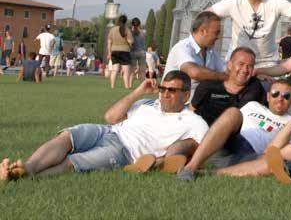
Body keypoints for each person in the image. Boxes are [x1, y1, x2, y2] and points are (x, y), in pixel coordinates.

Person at [0, 71, 208, 180]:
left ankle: (23, 178)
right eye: (163, 89)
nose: (165, 94)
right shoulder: (147, 104)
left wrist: (162, 160)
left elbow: (202, 150)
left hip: (123, 150)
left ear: (186, 95)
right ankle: (27, 167)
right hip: (106, 130)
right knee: (66, 137)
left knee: (74, 162)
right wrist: (138, 91)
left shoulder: (193, 122)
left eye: (172, 90)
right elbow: (110, 117)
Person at [175, 47, 266, 180]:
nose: (245, 70)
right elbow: (191, 112)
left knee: (267, 161)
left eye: (250, 66)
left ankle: (194, 168)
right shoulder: (208, 86)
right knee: (179, 147)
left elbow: (262, 120)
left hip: (229, 148)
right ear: (229, 65)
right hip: (198, 141)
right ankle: (185, 165)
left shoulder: (255, 88)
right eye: (241, 64)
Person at [165, 10, 227, 92]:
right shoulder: (183, 47)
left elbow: (225, 70)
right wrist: (222, 77)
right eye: (216, 33)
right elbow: (194, 72)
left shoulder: (211, 51)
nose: (218, 37)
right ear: (202, 31)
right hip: (179, 103)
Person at [107, 15, 134, 90]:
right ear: (125, 21)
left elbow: (109, 42)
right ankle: (127, 86)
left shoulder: (112, 30)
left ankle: (112, 86)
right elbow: (131, 42)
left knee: (114, 70)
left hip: (114, 51)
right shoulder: (127, 30)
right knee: (126, 71)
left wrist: (109, 52)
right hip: (125, 51)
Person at [129, 18, 147, 86]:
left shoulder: (131, 33)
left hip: (133, 52)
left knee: (132, 70)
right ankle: (142, 85)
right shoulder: (143, 32)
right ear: (139, 24)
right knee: (142, 71)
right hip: (142, 52)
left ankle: (130, 85)